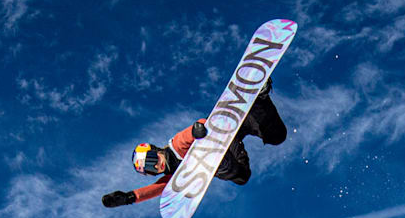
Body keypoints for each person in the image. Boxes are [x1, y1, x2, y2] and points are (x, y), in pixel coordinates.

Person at [102, 82, 287, 208]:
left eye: (151, 160)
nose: (156, 166)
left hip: (219, 133)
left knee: (276, 136)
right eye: (150, 170)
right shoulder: (175, 176)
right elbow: (158, 189)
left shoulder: (174, 147)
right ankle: (259, 99)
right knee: (269, 148)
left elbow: (184, 137)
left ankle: (258, 98)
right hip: (229, 144)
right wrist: (129, 197)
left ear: (156, 150)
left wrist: (197, 130)